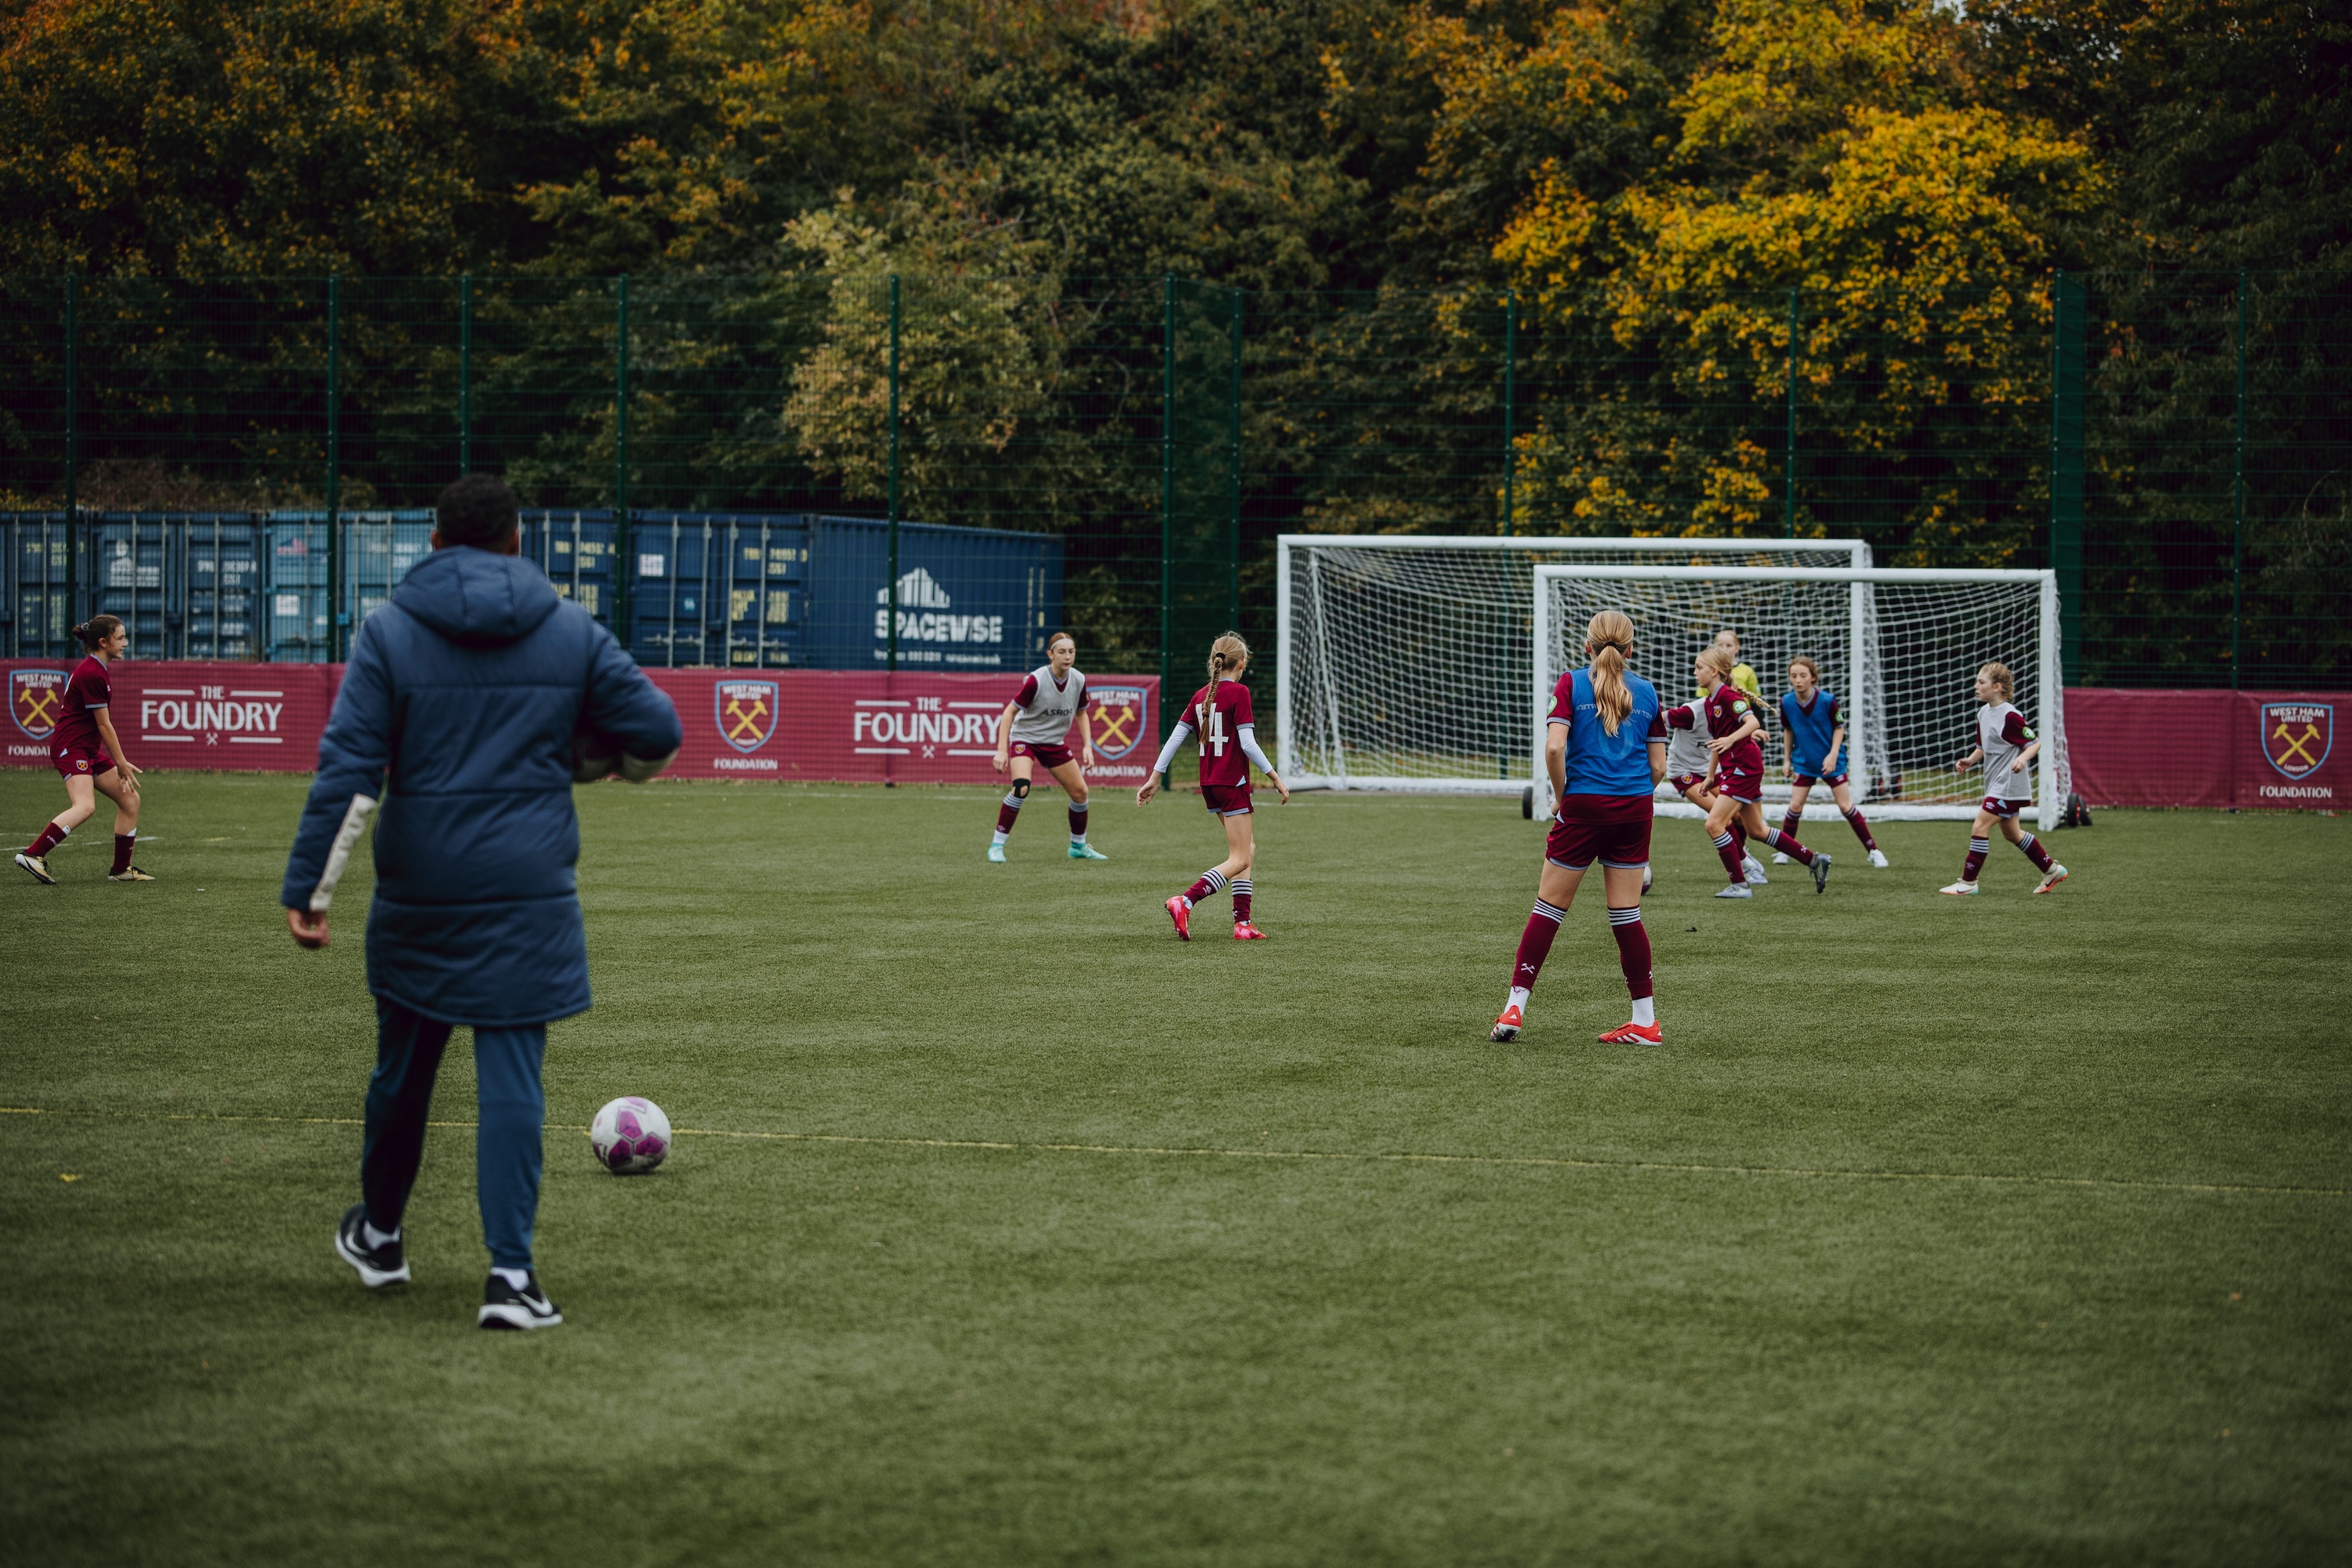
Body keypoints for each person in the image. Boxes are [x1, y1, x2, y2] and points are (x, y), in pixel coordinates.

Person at [283, 474, 681, 1330]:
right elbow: (656, 732)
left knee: (403, 1073)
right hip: (528, 889)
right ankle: (510, 1278)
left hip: (420, 889)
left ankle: (381, 1236)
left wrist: (311, 888)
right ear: (516, 541)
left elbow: (351, 767)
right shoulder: (569, 628)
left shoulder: (389, 631)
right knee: (512, 1077)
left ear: (433, 542)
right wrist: (589, 762)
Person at [1491, 610, 1668, 1046]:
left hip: (1584, 805)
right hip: (1635, 808)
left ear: (1587, 646)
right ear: (1631, 650)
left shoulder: (1571, 683)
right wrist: (1630, 796)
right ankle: (1645, 1022)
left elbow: (1555, 747)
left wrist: (1562, 796)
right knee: (1626, 915)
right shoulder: (1647, 691)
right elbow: (1659, 767)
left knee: (1549, 909)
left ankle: (1515, 1007)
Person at [1138, 632, 1288, 940]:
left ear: (1214, 661)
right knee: (1240, 857)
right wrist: (1274, 776)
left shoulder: (1200, 695)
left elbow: (1174, 739)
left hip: (1210, 783)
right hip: (1232, 782)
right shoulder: (1240, 693)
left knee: (1246, 849)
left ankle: (1243, 924)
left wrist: (1155, 777)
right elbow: (1248, 743)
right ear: (1242, 663)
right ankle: (1185, 900)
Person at [15, 613, 151, 885]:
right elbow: (104, 725)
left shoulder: (97, 669)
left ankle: (121, 869)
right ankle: (32, 854)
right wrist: (121, 762)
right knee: (85, 806)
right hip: (71, 747)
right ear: (103, 642)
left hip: (85, 749)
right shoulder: (92, 673)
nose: (125, 643)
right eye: (120, 638)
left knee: (130, 800)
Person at [1697, 645, 1829, 898]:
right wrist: (1711, 776)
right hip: (1736, 767)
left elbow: (1753, 722)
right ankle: (1814, 860)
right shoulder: (1710, 702)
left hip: (1744, 768)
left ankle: (1740, 884)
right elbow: (1717, 742)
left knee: (1714, 824)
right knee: (1756, 830)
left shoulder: (1728, 697)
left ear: (1714, 671)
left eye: (1699, 667)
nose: (1695, 673)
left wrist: (1730, 739)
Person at [1940, 662, 2067, 896]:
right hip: (1996, 783)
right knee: (2012, 834)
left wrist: (2022, 759)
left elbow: (2034, 743)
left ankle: (1968, 883)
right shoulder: (1983, 713)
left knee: (1980, 826)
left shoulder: (2010, 716)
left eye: (1981, 682)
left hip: (2009, 785)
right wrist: (1970, 760)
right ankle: (2052, 870)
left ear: (1997, 687)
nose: (1976, 686)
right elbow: (1982, 747)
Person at [988, 631, 1106, 862]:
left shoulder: (1078, 679)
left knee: (1080, 793)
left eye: (1071, 652)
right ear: (1050, 654)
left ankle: (1078, 846)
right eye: (1062, 652)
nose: (1067, 656)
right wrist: (1002, 750)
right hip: (1025, 739)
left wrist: (1087, 746)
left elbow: (1082, 713)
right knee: (1021, 787)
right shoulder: (1037, 680)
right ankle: (997, 845)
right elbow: (1009, 712)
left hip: (1053, 742)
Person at [1775, 655, 1889, 869]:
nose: (1798, 680)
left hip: (1832, 762)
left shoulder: (1827, 700)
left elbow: (1839, 727)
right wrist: (1787, 760)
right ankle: (1785, 851)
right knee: (1795, 806)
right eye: (1793, 676)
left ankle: (1874, 851)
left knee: (1845, 806)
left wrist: (1833, 754)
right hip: (1804, 762)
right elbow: (1788, 731)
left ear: (1813, 677)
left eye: (1802, 675)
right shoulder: (1786, 702)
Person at [1659, 701, 1769, 887]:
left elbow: (1731, 732)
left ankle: (1739, 853)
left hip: (1709, 769)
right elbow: (1658, 718)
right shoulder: (1691, 712)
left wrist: (1749, 733)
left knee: (1738, 817)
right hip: (1683, 771)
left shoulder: (1725, 708)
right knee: (1720, 819)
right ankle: (1745, 865)